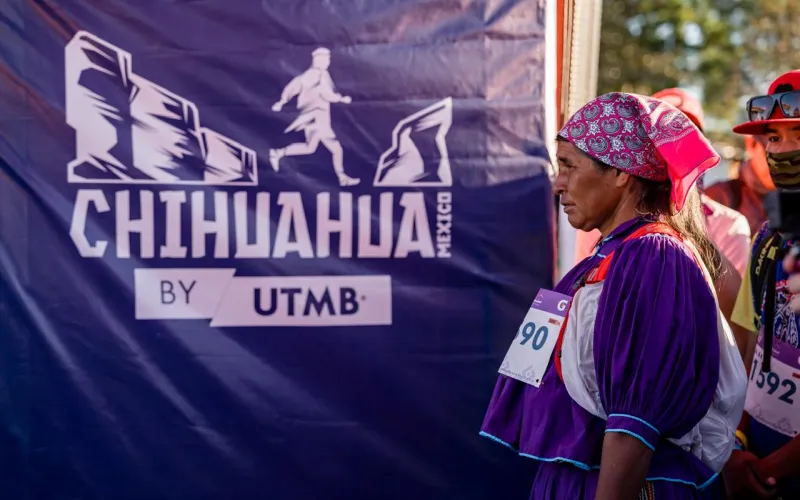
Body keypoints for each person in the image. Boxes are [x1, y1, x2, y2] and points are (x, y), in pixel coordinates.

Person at [481, 92, 746, 499]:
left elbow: (635, 421)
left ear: (622, 171)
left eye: (569, 165)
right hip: (578, 478)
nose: (558, 184)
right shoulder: (609, 256)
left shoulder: (653, 257)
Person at [723, 70, 800, 499]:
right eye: (773, 137)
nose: (782, 150)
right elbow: (750, 352)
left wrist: (771, 470)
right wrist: (737, 446)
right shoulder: (768, 239)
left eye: (798, 135)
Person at [269, 47, 361, 187]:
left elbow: (291, 88)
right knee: (336, 149)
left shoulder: (305, 76)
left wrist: (281, 102)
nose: (328, 62)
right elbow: (326, 94)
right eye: (326, 59)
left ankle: (278, 153)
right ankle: (342, 178)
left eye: (329, 59)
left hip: (309, 118)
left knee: (310, 148)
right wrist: (342, 99)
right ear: (318, 60)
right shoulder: (321, 75)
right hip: (319, 117)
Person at [705, 135, 775, 236]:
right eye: (773, 142)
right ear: (750, 143)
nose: (779, 160)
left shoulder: (790, 200)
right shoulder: (719, 196)